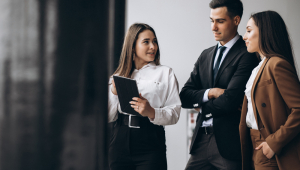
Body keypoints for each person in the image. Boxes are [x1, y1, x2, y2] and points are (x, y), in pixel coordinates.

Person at [180, 0, 259, 169]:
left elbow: (231, 100)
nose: (213, 27)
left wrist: (201, 107)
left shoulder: (247, 54)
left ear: (236, 20)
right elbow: (184, 96)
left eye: (220, 21)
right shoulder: (205, 55)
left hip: (229, 143)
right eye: (211, 21)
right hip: (201, 140)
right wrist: (210, 92)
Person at [108, 23, 181, 170]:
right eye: (146, 42)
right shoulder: (117, 76)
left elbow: (175, 113)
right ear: (132, 46)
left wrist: (152, 112)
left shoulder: (166, 73)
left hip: (151, 139)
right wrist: (114, 94)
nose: (153, 47)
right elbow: (108, 117)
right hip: (120, 139)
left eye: (154, 41)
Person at [240, 10, 300, 170]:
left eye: (249, 30)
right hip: (254, 143)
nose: (244, 36)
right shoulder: (259, 67)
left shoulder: (276, 64)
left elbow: (299, 108)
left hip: (270, 146)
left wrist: (274, 143)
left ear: (265, 32)